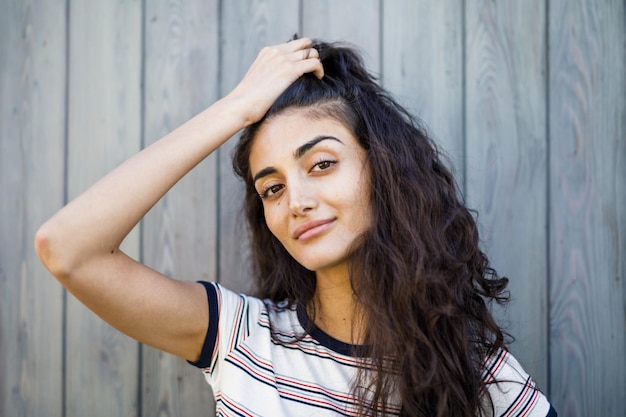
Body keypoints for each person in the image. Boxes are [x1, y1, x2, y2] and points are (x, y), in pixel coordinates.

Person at [35, 38, 556, 416]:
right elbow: (67, 248)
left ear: (385, 170)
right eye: (272, 188)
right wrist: (236, 110)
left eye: (322, 164)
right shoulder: (242, 340)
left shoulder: (480, 374)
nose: (297, 202)